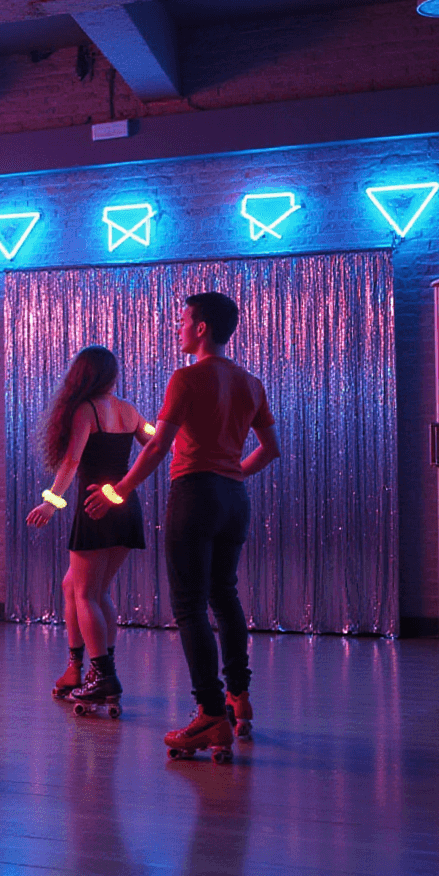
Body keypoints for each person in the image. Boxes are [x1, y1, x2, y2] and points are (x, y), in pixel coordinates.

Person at [89, 292, 279, 760]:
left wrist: (121, 488)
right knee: (225, 595)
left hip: (194, 495)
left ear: (200, 329)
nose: (177, 329)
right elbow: (271, 449)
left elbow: (157, 448)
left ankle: (210, 716)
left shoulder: (187, 378)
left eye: (182, 322)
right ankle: (239, 697)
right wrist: (232, 471)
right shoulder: (251, 383)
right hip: (234, 499)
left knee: (191, 606)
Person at [26, 346, 149, 715]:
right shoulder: (129, 410)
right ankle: (77, 668)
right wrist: (124, 484)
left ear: (81, 376)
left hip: (95, 508)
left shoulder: (86, 410)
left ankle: (102, 675)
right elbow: (157, 442)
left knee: (86, 595)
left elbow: (72, 460)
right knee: (83, 589)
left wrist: (52, 501)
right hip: (124, 507)